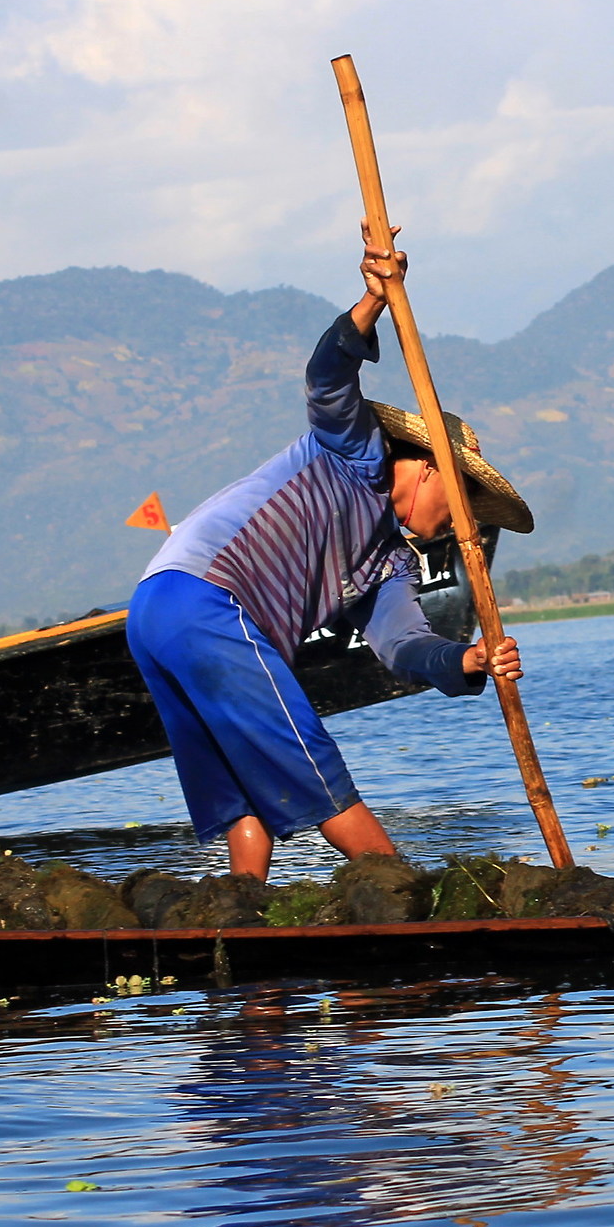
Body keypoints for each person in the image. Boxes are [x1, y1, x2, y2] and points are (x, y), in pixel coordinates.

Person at [125, 243, 530, 880]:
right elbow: (326, 378)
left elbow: (403, 645)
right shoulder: (357, 451)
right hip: (202, 597)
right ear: (428, 471)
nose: (461, 524)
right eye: (461, 506)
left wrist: (468, 659)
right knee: (313, 764)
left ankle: (243, 906)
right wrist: (373, 299)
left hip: (153, 612)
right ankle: (399, 890)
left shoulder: (390, 561)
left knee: (238, 795)